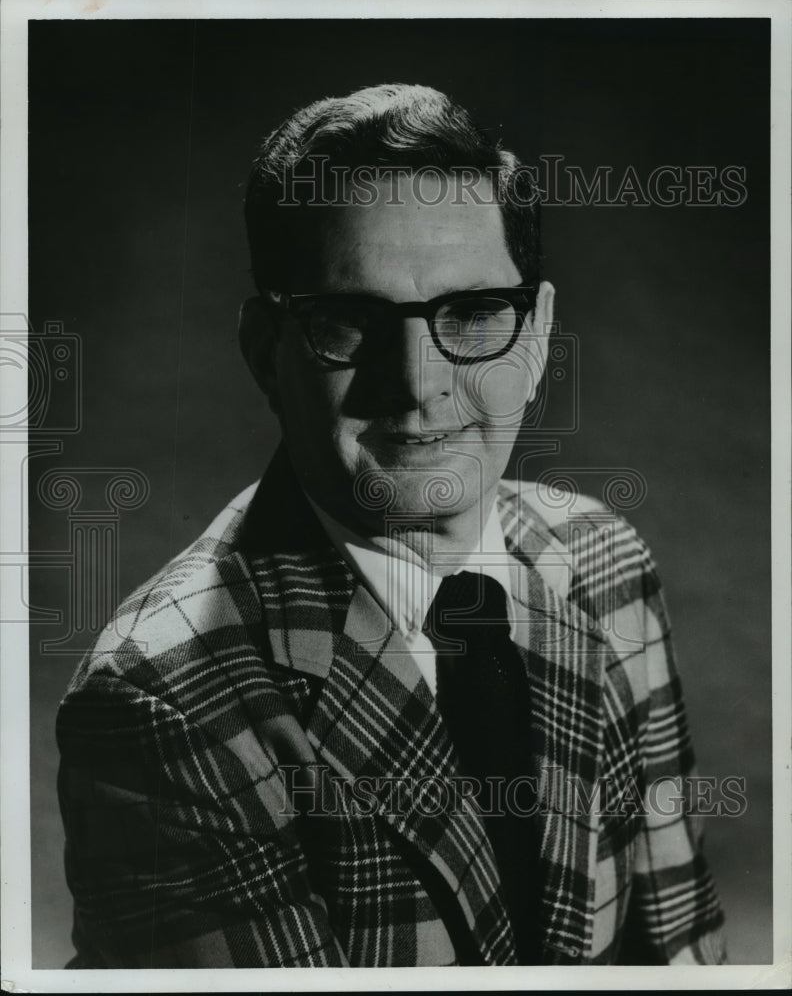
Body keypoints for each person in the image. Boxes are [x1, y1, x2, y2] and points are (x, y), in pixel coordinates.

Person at [56, 83, 726, 967]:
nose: (417, 385)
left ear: (536, 337)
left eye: (474, 314)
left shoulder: (605, 559)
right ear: (267, 350)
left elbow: (682, 952)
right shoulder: (159, 702)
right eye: (349, 323)